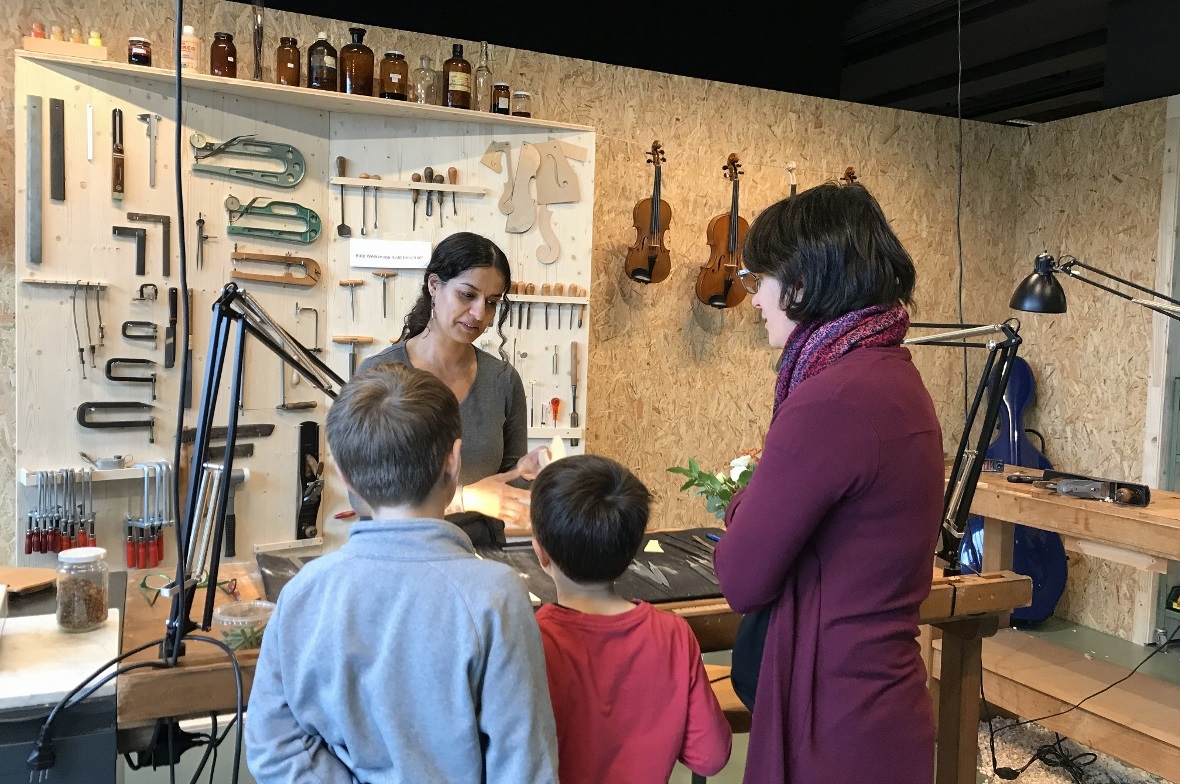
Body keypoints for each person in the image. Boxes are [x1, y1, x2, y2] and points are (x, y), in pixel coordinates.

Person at [712, 182, 944, 783]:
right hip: (875, 704)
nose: (754, 301)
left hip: (832, 722)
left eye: (759, 280)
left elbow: (741, 577)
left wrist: (741, 503)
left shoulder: (832, 399)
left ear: (802, 282)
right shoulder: (891, 375)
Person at [246, 363, 559, 783]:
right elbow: (524, 768)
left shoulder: (303, 594)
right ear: (454, 461)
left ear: (344, 477)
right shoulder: (495, 598)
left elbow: (273, 748)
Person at [530, 454, 732, 784]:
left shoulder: (531, 641)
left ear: (540, 552)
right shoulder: (674, 634)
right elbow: (710, 756)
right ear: (634, 548)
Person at [357, 232, 543, 542]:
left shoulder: (502, 380)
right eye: (467, 295)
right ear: (434, 285)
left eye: (492, 302)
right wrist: (465, 499)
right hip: (399, 553)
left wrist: (527, 473)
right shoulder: (378, 373)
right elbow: (361, 498)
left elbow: (508, 489)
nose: (479, 314)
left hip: (478, 551)